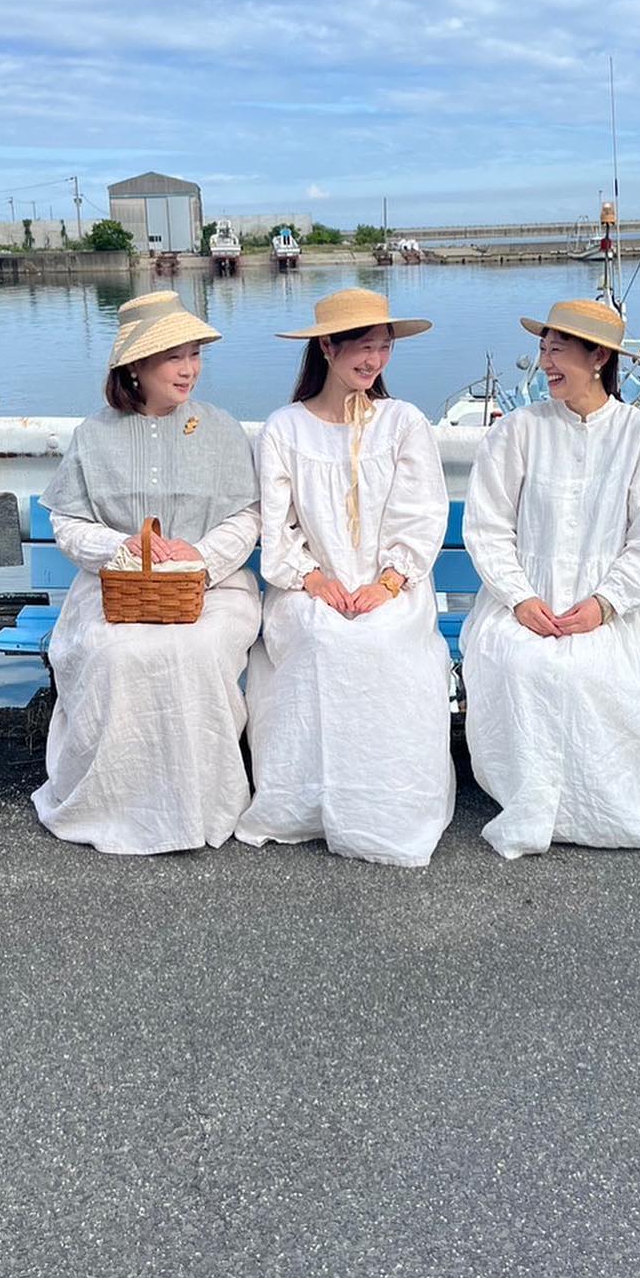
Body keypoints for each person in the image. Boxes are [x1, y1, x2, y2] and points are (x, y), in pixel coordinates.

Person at [461, 298, 640, 858]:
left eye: (558, 350)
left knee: (601, 672)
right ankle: (537, 801)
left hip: (618, 609)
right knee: (523, 663)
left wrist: (604, 603)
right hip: (523, 600)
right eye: (543, 349)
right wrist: (519, 598)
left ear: (598, 357)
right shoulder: (515, 432)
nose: (545, 362)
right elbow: (488, 527)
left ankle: (604, 807)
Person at [32, 291, 261, 855]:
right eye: (173, 357)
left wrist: (198, 560)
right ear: (134, 367)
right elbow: (68, 523)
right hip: (116, 587)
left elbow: (246, 515)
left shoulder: (222, 428)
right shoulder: (94, 435)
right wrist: (128, 547)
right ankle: (112, 802)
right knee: (114, 653)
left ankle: (202, 803)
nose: (189, 370)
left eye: (194, 355)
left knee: (199, 651)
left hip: (214, 585)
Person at [235, 288, 454, 868]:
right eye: (362, 347)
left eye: (383, 348)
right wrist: (310, 579)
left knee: (379, 641)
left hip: (391, 588)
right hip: (308, 586)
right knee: (320, 639)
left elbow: (423, 513)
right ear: (327, 347)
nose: (374, 361)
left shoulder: (402, 422)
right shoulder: (284, 429)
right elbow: (275, 527)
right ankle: (305, 804)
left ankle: (389, 807)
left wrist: (389, 582)